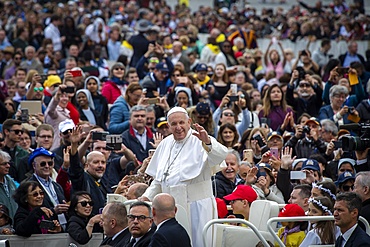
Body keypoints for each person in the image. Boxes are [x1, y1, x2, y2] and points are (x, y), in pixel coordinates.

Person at [141, 107, 228, 246]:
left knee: (197, 242)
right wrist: (146, 197)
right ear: (168, 126)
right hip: (170, 210)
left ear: (189, 122)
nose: (178, 127)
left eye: (181, 122)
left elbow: (221, 156)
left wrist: (208, 143)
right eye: (174, 124)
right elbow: (159, 179)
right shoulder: (165, 144)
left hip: (197, 207)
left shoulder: (200, 138)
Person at [68, 127, 110, 216]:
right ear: (86, 166)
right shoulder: (82, 179)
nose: (100, 165)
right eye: (96, 162)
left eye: (103, 162)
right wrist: (74, 144)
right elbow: (75, 167)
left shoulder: (102, 182)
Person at [28, 148, 69, 228]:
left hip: (62, 228)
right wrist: (54, 211)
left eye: (50, 163)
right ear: (34, 165)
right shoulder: (28, 186)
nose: (47, 166)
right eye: (43, 164)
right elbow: (30, 212)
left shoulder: (57, 185)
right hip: (43, 231)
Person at [0, 150, 18, 220]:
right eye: (4, 164)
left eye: (8, 163)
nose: (8, 166)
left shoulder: (10, 181)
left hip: (15, 226)